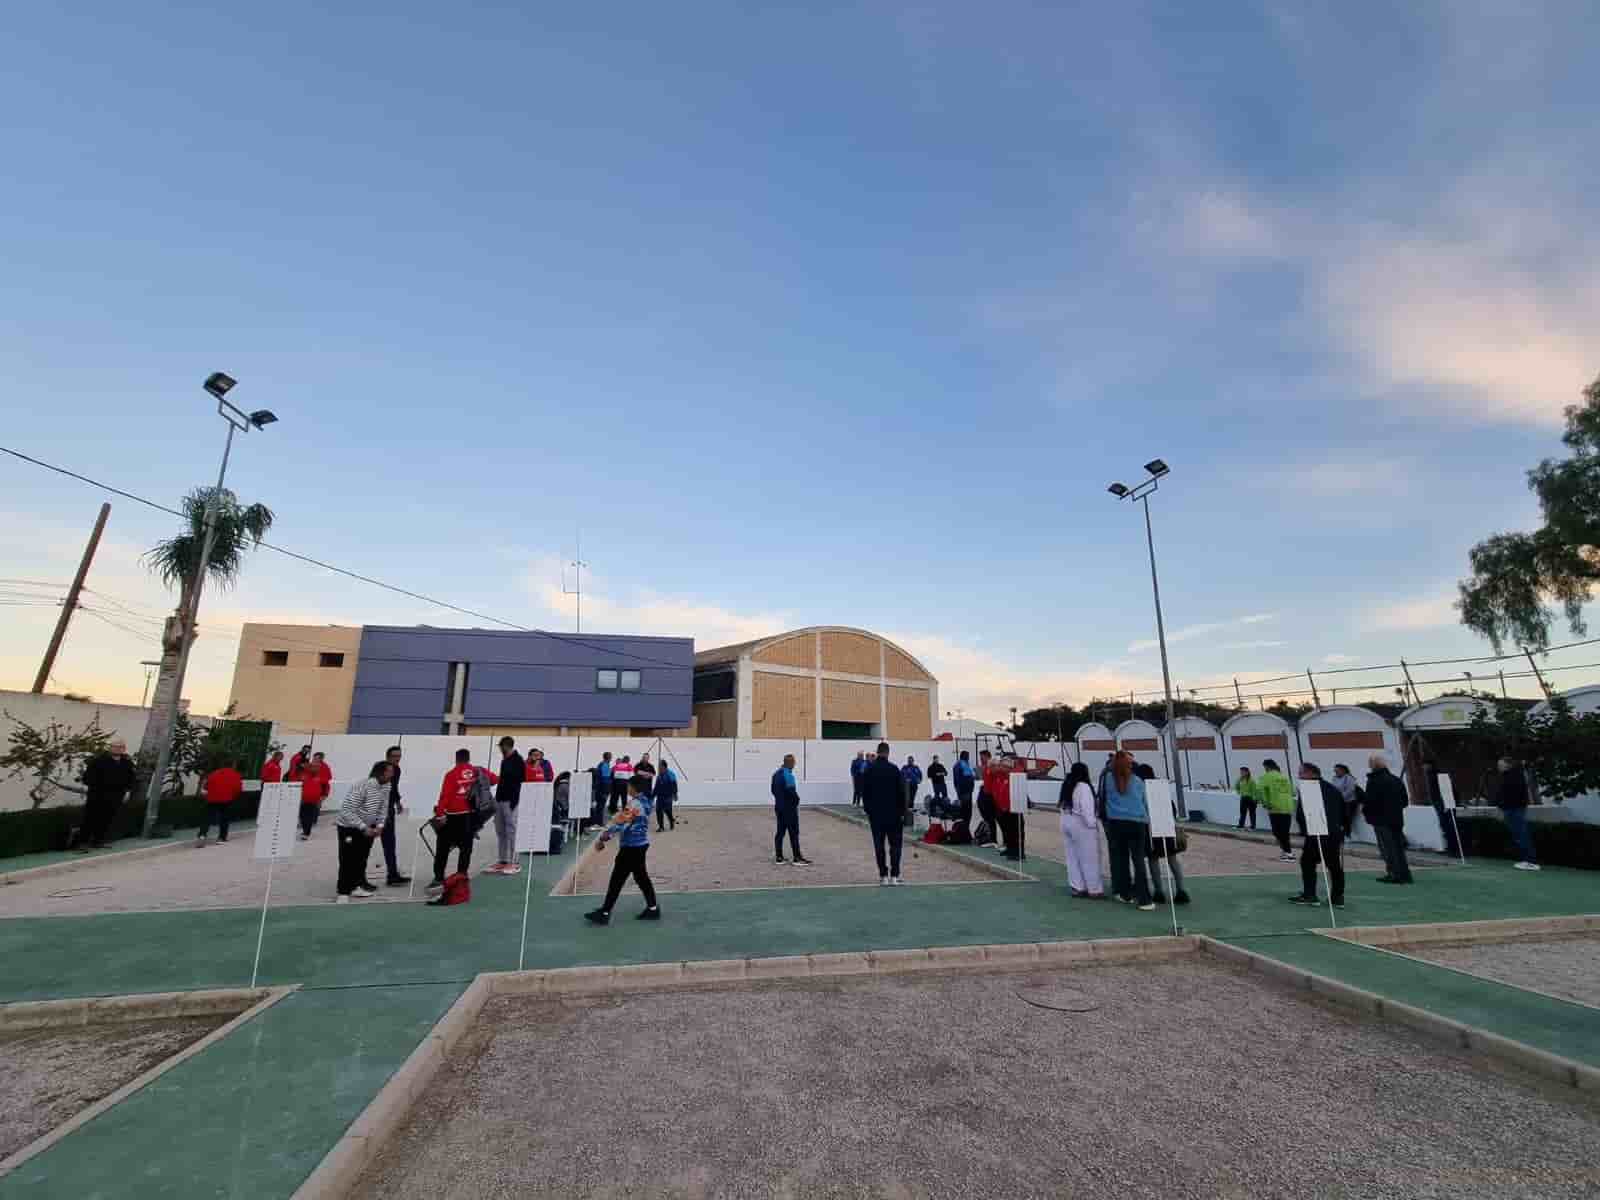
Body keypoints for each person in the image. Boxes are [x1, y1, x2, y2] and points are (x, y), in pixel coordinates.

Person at [585, 773, 660, 924]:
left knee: (617, 879)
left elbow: (621, 824)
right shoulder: (646, 801)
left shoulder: (633, 804)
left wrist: (604, 837)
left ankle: (605, 912)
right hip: (641, 844)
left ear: (633, 787)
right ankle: (653, 909)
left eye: (628, 786)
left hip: (630, 848)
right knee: (641, 878)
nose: (627, 788)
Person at [1102, 751, 1154, 909]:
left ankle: (1125, 893)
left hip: (1116, 822)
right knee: (1139, 861)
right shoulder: (1137, 781)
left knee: (1121, 860)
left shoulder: (1108, 779)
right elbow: (1145, 802)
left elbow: (1103, 798)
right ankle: (1144, 898)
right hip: (1137, 823)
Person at [1290, 762, 1345, 908]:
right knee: (1334, 865)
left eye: (1301, 773)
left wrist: (1305, 831)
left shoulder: (1309, 789)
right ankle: (1337, 897)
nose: (1299, 776)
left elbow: (1301, 815)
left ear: (1310, 773)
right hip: (1334, 832)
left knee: (1307, 862)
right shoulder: (1333, 789)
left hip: (1317, 832)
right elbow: (1343, 811)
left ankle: (1310, 895)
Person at [428, 749, 483, 896]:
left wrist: (440, 815)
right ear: (468, 758)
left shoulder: (451, 774)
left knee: (443, 848)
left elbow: (445, 796)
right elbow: (495, 780)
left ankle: (439, 878)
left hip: (452, 817)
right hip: (470, 818)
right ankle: (461, 877)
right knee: (466, 849)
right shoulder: (478, 772)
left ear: (456, 759)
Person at [336, 761, 392, 902]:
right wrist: (363, 827)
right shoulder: (363, 785)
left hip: (368, 827)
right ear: (380, 773)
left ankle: (356, 886)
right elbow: (346, 810)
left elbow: (383, 807)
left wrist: (380, 825)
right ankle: (343, 892)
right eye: (389, 771)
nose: (392, 774)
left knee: (361, 859)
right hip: (349, 827)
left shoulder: (386, 786)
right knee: (347, 859)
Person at [78, 738, 137, 851]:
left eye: (121, 747)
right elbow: (87, 778)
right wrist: (100, 786)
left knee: (107, 819)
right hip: (97, 796)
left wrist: (127, 789)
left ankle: (98, 841)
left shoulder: (127, 763)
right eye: (115, 746)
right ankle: (82, 843)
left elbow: (131, 778)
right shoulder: (98, 761)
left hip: (116, 796)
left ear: (124, 749)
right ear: (110, 748)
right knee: (90, 819)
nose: (118, 749)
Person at [861, 742, 907, 883]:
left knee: (879, 845)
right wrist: (903, 812)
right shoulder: (894, 769)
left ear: (877, 752)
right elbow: (902, 792)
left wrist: (868, 810)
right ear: (888, 753)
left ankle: (883, 876)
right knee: (895, 845)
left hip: (876, 815)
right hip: (894, 814)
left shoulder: (869, 769)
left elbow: (864, 793)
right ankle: (895, 876)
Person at [1363, 753, 1412, 884]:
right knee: (1398, 848)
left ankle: (1394, 873)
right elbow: (1404, 801)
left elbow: (1370, 801)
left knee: (1387, 848)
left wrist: (1367, 814)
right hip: (1396, 819)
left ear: (1372, 765)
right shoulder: (1396, 780)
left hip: (1380, 820)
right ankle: (1404, 874)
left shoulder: (1374, 781)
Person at [1143, 771, 1190, 906]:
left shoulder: (1144, 793)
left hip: (1151, 830)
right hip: (1168, 829)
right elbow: (1173, 811)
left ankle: (1159, 892)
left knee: (1153, 859)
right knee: (1172, 859)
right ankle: (1181, 890)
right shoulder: (1163, 792)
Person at [1059, 762, 1103, 898]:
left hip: (1066, 820)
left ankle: (1078, 887)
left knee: (1072, 857)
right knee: (1089, 857)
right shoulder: (1083, 787)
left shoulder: (1067, 784)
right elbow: (1086, 808)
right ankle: (1094, 889)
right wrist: (1093, 824)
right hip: (1081, 824)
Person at [488, 736, 525, 876]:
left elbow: (520, 781)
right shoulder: (505, 760)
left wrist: (514, 801)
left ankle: (514, 862)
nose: (500, 749)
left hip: (511, 801)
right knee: (500, 830)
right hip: (500, 799)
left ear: (507, 746)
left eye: (501, 747)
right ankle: (503, 860)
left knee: (511, 830)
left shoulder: (518, 760)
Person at [1495, 757, 1539, 871]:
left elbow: (1511, 793)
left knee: (1521, 834)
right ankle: (1526, 860)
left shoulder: (1515, 775)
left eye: (1500, 764)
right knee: (1518, 835)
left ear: (1508, 764)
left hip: (1515, 808)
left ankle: (1531, 861)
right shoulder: (1508, 775)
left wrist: (1502, 806)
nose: (1498, 766)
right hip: (1512, 808)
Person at [770, 753, 811, 865]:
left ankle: (779, 857)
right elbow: (792, 792)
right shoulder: (788, 775)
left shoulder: (776, 774)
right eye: (793, 762)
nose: (794, 764)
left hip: (779, 807)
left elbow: (773, 790)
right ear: (790, 763)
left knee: (780, 832)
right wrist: (797, 800)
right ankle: (797, 858)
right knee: (794, 832)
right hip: (789, 809)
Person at [379, 745, 410, 887]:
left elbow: (394, 787)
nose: (397, 759)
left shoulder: (397, 770)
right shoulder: (381, 769)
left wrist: (397, 802)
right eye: (394, 756)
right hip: (378, 810)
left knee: (390, 842)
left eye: (399, 756)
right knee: (366, 844)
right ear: (387, 757)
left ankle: (392, 875)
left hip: (389, 808)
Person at [982, 750, 1019, 859]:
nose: (1000, 768)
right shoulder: (996, 775)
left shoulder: (1010, 776)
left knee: (1012, 829)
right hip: (1000, 805)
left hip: (1009, 807)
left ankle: (1014, 850)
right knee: (1006, 828)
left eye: (1002, 766)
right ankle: (1009, 847)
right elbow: (991, 789)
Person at [197, 758, 244, 844]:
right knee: (224, 819)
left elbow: (207, 785)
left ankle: (202, 835)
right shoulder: (235, 775)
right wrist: (233, 798)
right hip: (227, 799)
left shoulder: (215, 773)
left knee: (207, 818)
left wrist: (207, 794)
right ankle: (221, 838)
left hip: (212, 798)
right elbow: (238, 789)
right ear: (233, 765)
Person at [1257, 759, 1296, 861]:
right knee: (1284, 832)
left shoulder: (1266, 777)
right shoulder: (1284, 777)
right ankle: (1286, 852)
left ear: (1267, 767)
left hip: (1275, 808)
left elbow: (1259, 790)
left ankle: (1288, 853)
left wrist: (1265, 803)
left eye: (1264, 767)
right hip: (1287, 807)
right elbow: (1293, 792)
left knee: (1277, 832)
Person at [1424, 758, 1462, 858]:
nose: (1424, 767)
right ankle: (1451, 848)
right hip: (1440, 804)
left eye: (1425, 765)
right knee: (1446, 827)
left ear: (1430, 765)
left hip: (1444, 804)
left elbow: (1445, 790)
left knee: (1449, 827)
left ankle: (1454, 849)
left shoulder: (1437, 775)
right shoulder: (1431, 775)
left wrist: (1445, 803)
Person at [297, 751, 332, 839]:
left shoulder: (324, 768)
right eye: (314, 757)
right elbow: (300, 773)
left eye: (317, 758)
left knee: (310, 813)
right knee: (303, 813)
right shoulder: (308, 768)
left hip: (315, 796)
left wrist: (323, 795)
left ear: (321, 759)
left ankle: (307, 831)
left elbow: (327, 782)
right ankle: (306, 827)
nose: (314, 760)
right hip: (304, 796)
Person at [1331, 764, 1360, 836]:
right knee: (1339, 818)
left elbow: (1350, 790)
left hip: (1349, 802)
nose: (1336, 772)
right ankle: (1341, 834)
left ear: (1343, 770)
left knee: (1347, 819)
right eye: (1335, 771)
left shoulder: (1349, 778)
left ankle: (1347, 834)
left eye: (1337, 770)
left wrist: (1340, 797)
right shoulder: (1334, 778)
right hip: (1339, 802)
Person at [952, 750, 976, 824]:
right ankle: (966, 825)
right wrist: (973, 778)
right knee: (967, 810)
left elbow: (956, 780)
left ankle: (963, 824)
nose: (968, 758)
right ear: (965, 756)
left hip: (960, 790)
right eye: (968, 756)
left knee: (963, 808)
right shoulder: (963, 764)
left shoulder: (956, 764)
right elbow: (968, 778)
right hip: (966, 790)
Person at [654, 760, 679, 831]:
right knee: (658, 810)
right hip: (660, 796)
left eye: (660, 766)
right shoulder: (659, 775)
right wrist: (653, 795)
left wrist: (675, 794)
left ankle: (671, 821)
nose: (658, 767)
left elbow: (674, 785)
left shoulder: (670, 774)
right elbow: (656, 786)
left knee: (668, 811)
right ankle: (661, 827)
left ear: (664, 766)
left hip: (668, 796)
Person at [591, 752, 614, 824]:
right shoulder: (605, 765)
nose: (611, 758)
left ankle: (597, 822)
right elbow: (605, 780)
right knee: (600, 807)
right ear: (609, 758)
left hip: (599, 789)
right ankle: (599, 823)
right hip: (602, 790)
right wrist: (606, 791)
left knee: (599, 807)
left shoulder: (601, 764)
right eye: (610, 757)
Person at [1235, 766, 1258, 831]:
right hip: (1243, 798)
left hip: (1251, 798)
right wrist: (1239, 792)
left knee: (1252, 813)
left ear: (1247, 772)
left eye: (1243, 772)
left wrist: (1254, 799)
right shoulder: (1241, 780)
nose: (1241, 773)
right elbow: (1236, 786)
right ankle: (1241, 825)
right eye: (1241, 772)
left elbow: (1254, 790)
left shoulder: (1251, 780)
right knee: (1242, 812)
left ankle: (1253, 827)